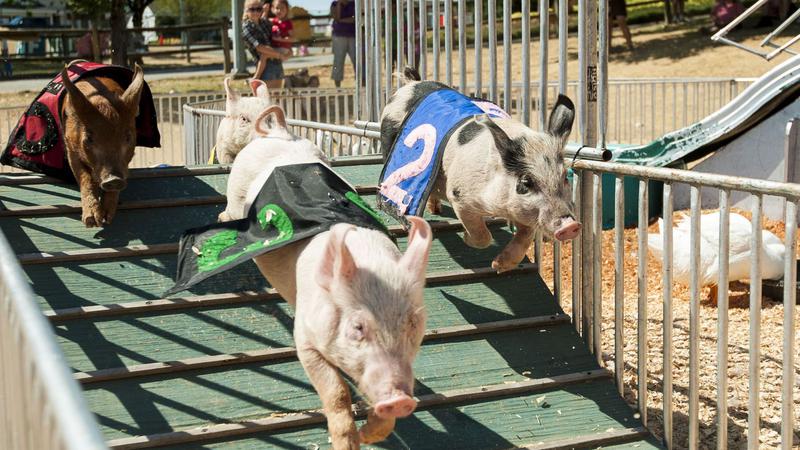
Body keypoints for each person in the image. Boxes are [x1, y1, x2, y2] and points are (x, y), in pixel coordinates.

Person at [242, 0, 289, 89]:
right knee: (267, 95)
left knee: (277, 94)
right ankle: (255, 78)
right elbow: (259, 47)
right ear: (246, 10)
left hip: (276, 63)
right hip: (266, 67)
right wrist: (279, 55)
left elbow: (277, 28)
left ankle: (254, 79)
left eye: (258, 9)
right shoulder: (246, 27)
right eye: (252, 9)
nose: (255, 12)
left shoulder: (263, 22)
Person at [330, 0, 356, 88]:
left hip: (353, 35)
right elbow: (336, 17)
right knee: (338, 60)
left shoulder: (353, 4)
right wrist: (339, 4)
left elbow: (354, 19)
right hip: (338, 36)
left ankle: (360, 82)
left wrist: (341, 20)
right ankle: (337, 86)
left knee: (357, 59)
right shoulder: (334, 4)